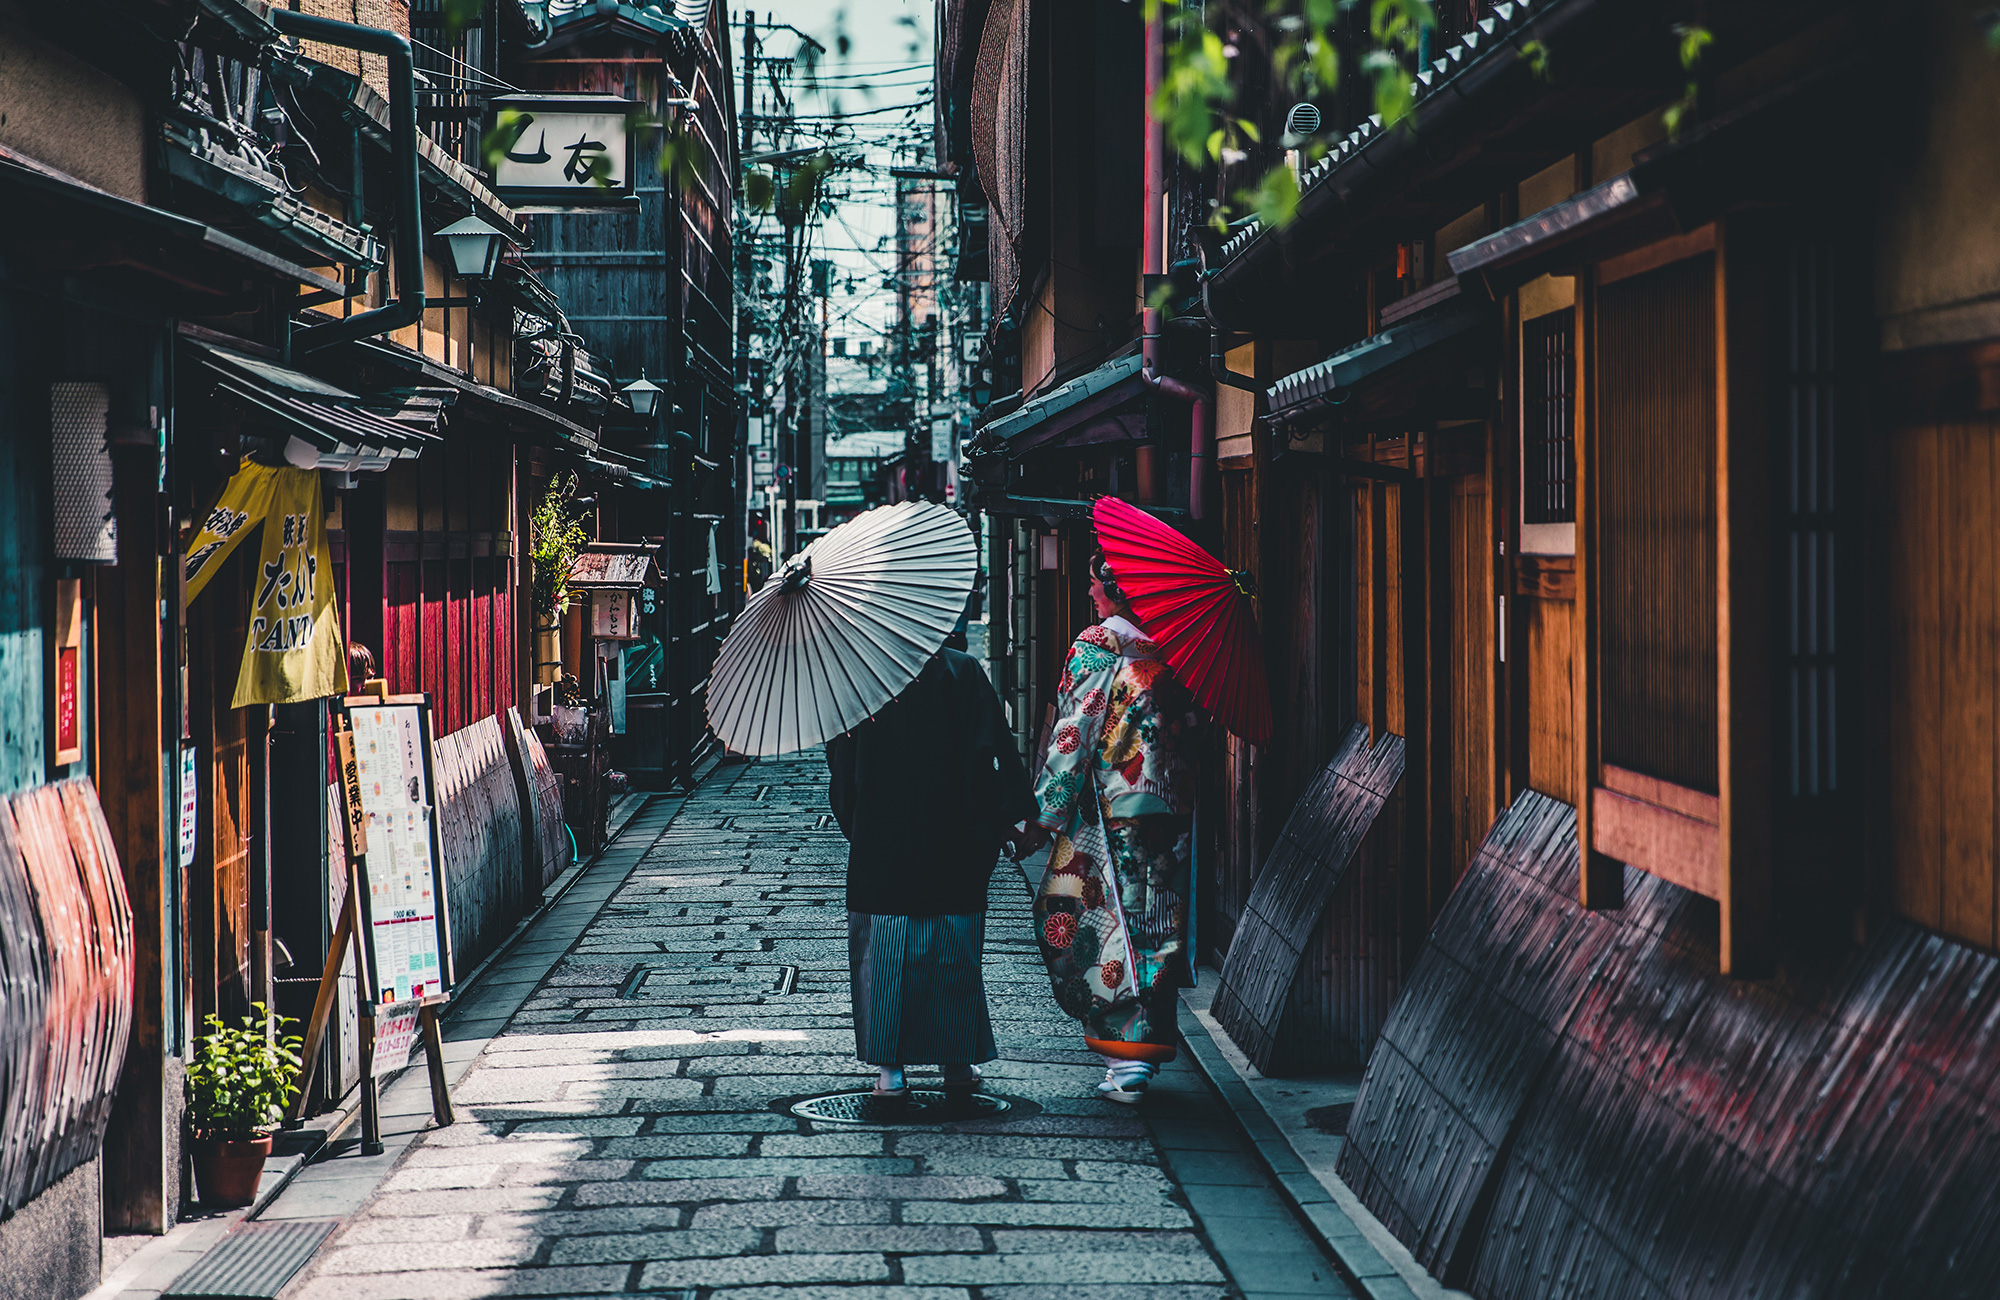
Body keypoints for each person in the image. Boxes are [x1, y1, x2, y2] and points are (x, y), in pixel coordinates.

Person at [1011, 553, 1198, 1104]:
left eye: (1095, 584)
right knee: (1155, 919)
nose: (1090, 593)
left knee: (1087, 912)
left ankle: (1125, 1057)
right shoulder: (1171, 646)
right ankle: (1142, 1050)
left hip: (1110, 807)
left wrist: (1044, 813)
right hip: (1169, 806)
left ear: (1116, 589)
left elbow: (1075, 731)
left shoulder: (1100, 643)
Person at [827, 643, 1037, 1103]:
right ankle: (958, 1065)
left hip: (882, 846)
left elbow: (842, 777)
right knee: (952, 954)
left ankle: (890, 1072)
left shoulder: (858, 678)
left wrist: (862, 831)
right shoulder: (961, 670)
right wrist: (1007, 820)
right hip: (955, 840)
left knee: (883, 959)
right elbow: (993, 753)